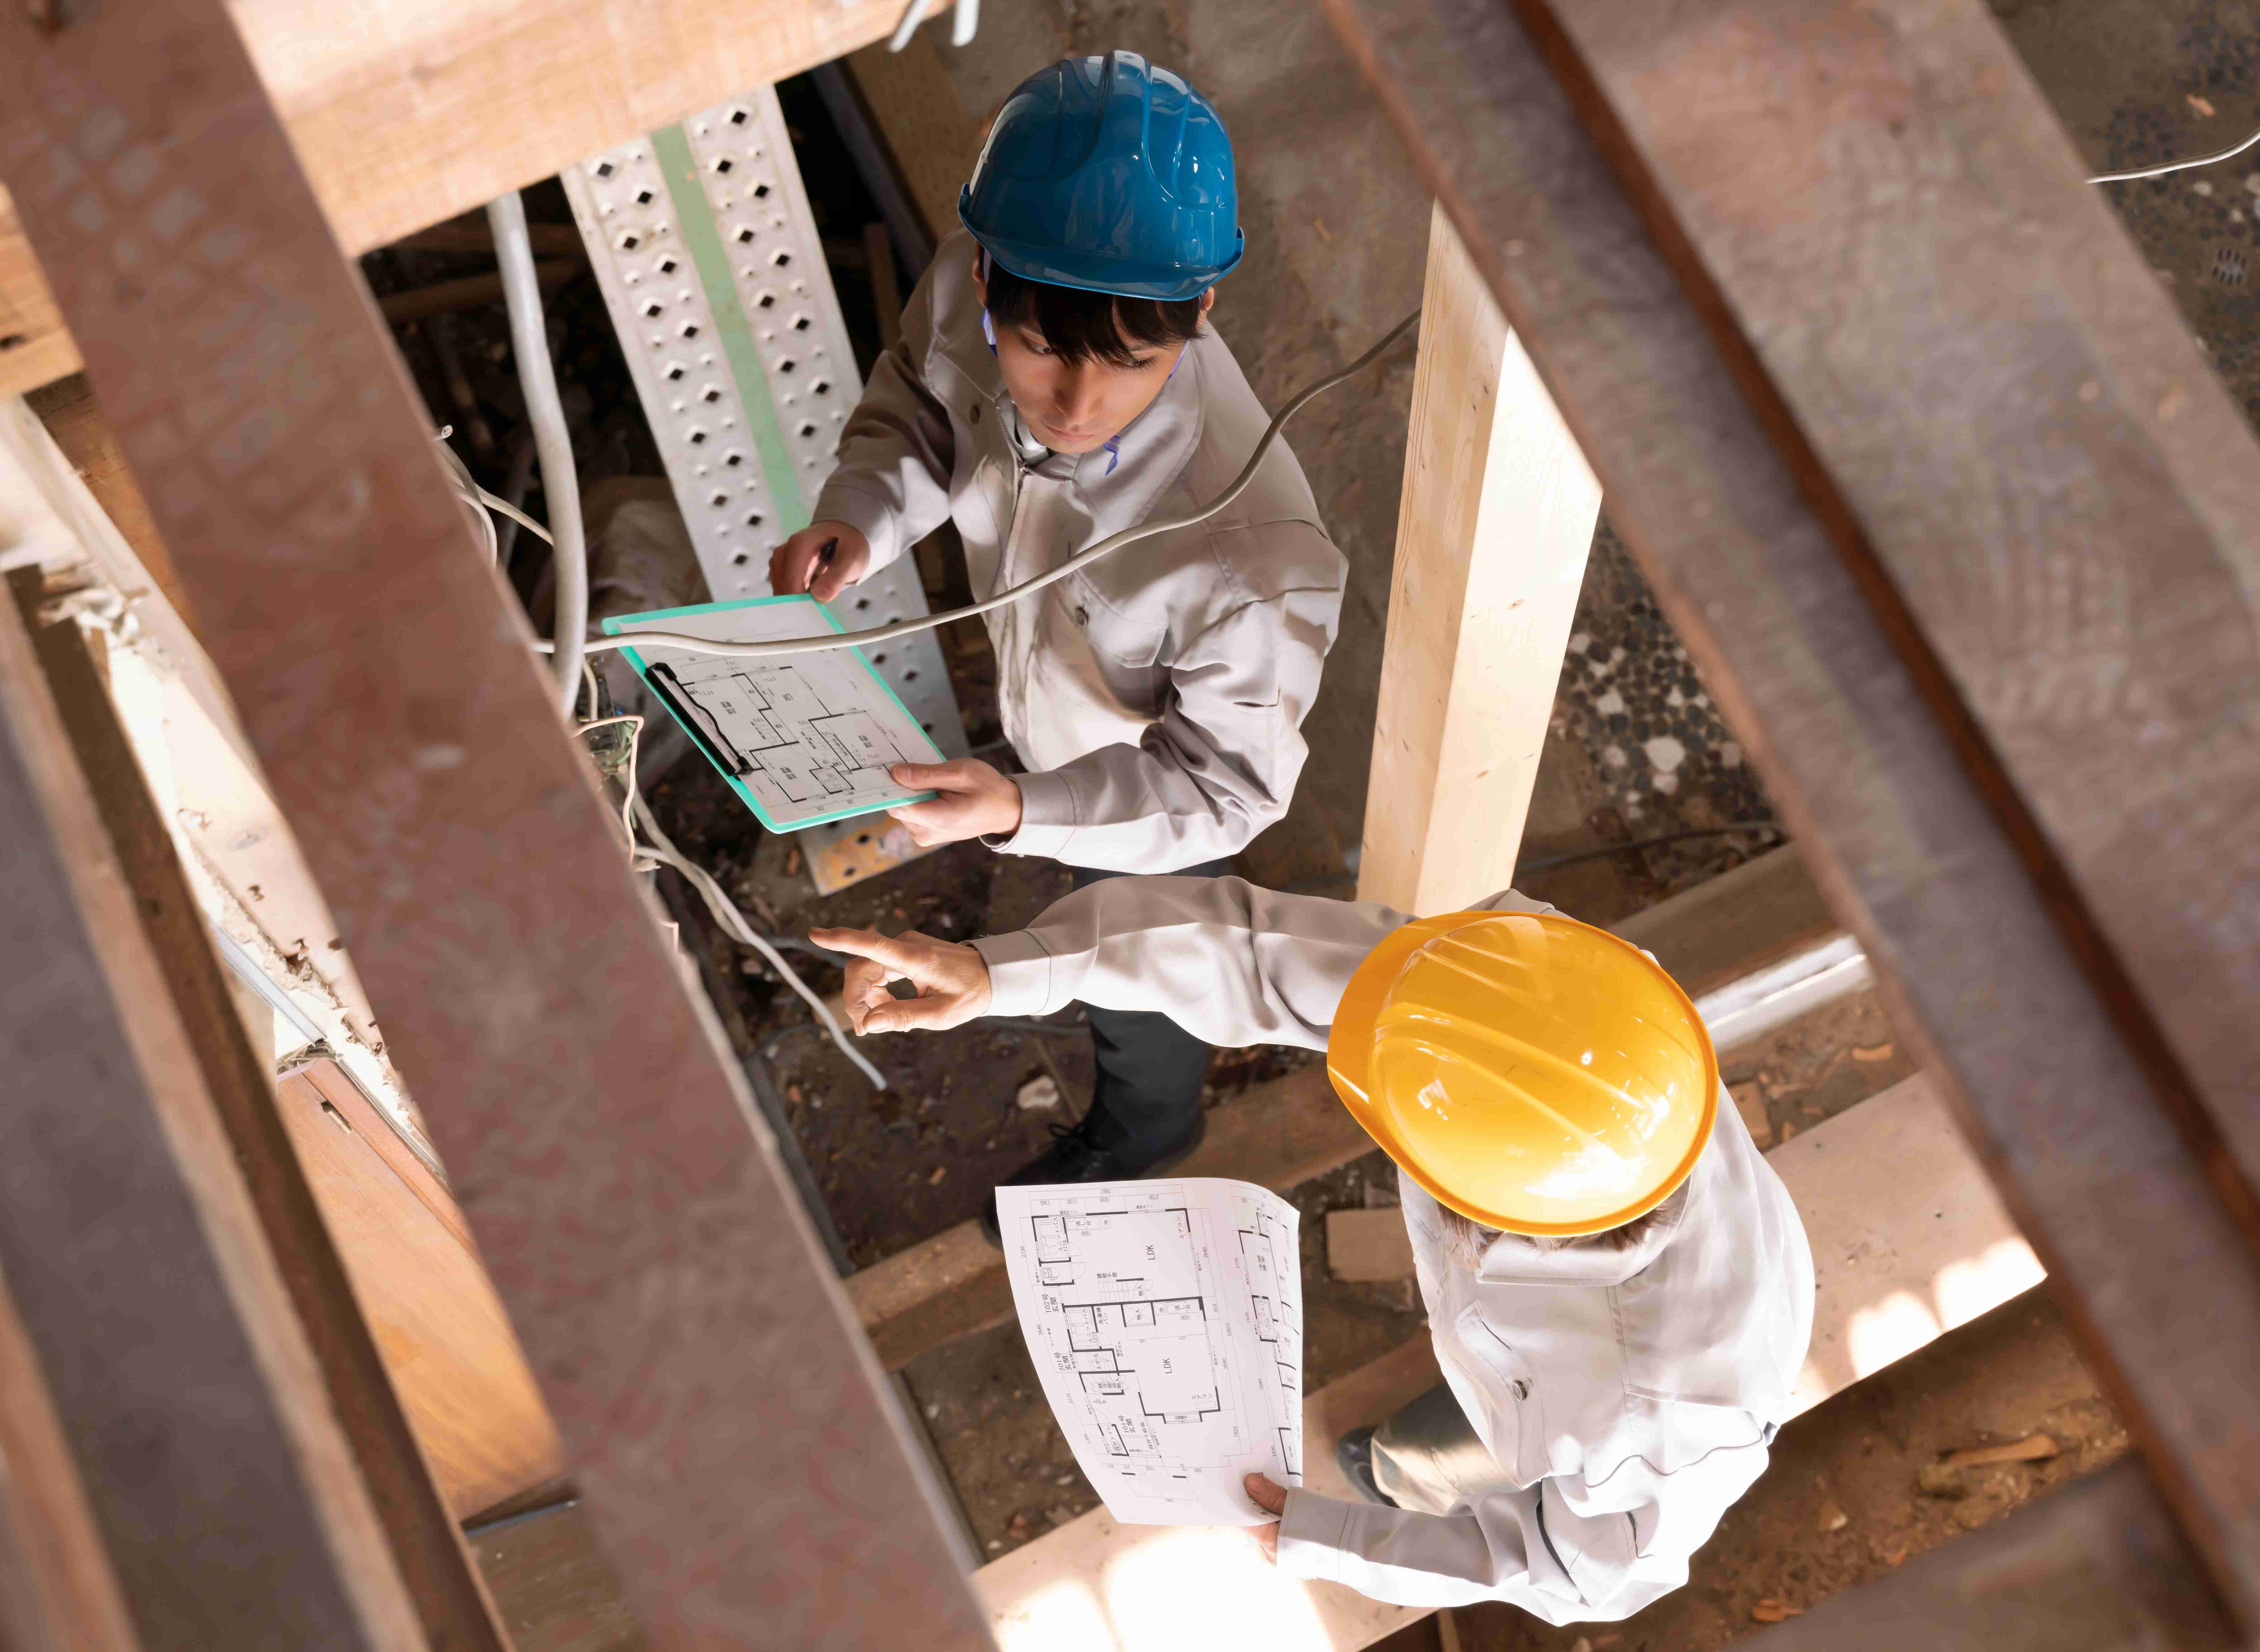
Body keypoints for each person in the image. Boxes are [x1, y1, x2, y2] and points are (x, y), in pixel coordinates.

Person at [811, 878, 1814, 1622]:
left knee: (1433, 1466)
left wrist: (1335, 1540)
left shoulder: (1659, 1419)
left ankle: (1399, 1470)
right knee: (1473, 1428)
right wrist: (1003, 970)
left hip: (1632, 1415)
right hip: (1581, 1357)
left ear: (1495, 1219)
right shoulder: (1554, 1005)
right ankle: (1408, 1453)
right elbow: (1262, 952)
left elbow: (1583, 1573)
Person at [772, 53, 1347, 1240]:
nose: (1076, 403)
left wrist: (1029, 810)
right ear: (985, 274)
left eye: (1131, 361)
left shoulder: (1252, 555)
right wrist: (862, 514)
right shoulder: (984, 289)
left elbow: (1226, 788)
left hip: (1149, 799)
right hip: (1048, 727)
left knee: (1147, 964)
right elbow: (922, 406)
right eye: (1036, 347)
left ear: (1203, 313)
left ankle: (1146, 1128)